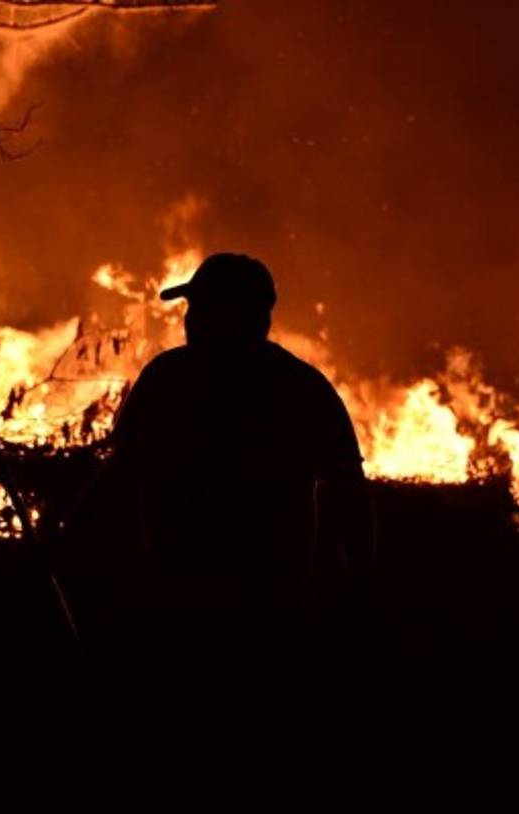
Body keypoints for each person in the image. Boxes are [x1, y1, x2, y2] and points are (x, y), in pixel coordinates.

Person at [60, 254, 372, 720]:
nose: (192, 321)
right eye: (194, 310)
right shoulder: (301, 387)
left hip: (231, 603)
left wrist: (67, 542)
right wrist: (360, 591)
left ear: (243, 316)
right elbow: (352, 494)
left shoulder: (172, 379)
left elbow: (120, 474)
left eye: (202, 309)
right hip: (222, 600)